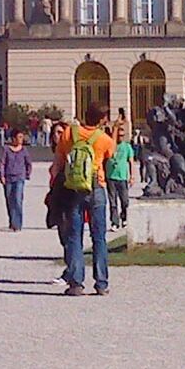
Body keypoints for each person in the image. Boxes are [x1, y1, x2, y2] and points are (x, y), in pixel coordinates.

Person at [52, 102, 115, 296]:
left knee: (74, 236)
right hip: (96, 186)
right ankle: (101, 283)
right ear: (102, 119)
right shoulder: (104, 139)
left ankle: (76, 283)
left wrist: (54, 185)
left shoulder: (70, 133)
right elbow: (109, 161)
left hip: (73, 187)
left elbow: (59, 162)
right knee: (99, 237)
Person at [0, 130, 32, 231]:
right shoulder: (6, 150)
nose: (21, 139)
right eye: (19, 137)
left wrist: (27, 174)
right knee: (9, 201)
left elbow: (28, 163)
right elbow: (2, 163)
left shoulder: (24, 150)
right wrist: (2, 176)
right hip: (8, 178)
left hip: (19, 177)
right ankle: (12, 221)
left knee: (17, 200)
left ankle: (18, 224)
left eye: (22, 137)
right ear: (13, 138)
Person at [106, 132, 133, 229]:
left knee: (125, 200)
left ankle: (124, 217)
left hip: (122, 177)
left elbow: (130, 161)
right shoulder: (110, 145)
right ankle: (114, 222)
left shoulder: (127, 146)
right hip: (111, 176)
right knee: (113, 201)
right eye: (119, 135)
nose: (120, 137)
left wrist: (132, 176)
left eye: (122, 135)